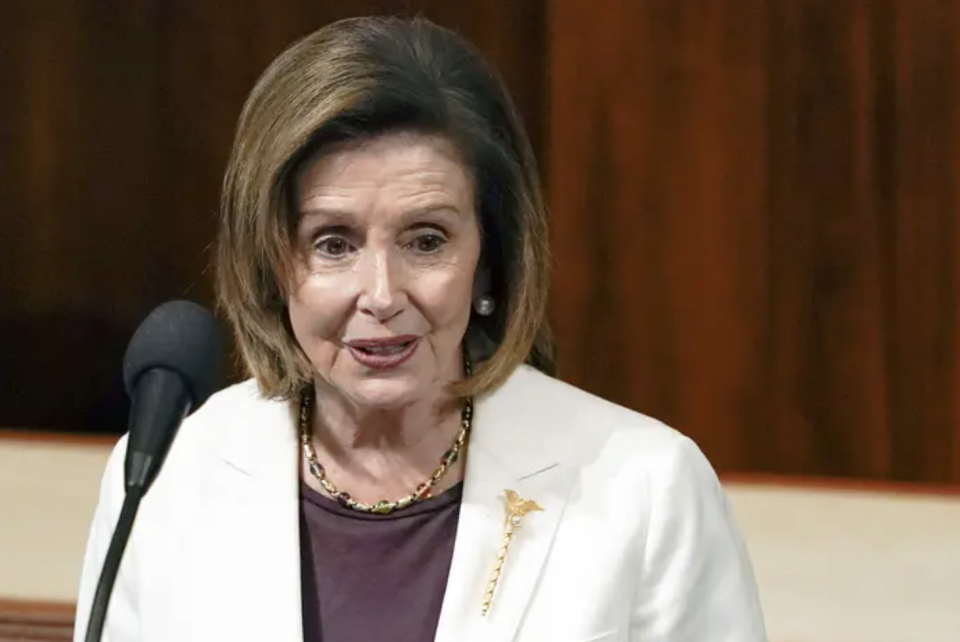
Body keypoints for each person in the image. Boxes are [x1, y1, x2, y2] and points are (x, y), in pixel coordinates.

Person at [74, 15, 766, 642]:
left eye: (426, 240)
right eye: (333, 243)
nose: (381, 294)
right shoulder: (169, 476)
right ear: (270, 262)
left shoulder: (646, 490)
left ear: (489, 260)